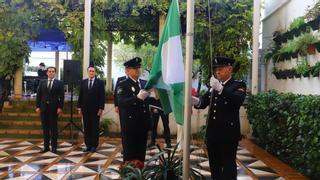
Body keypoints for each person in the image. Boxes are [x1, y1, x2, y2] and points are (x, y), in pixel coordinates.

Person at [192, 56, 246, 180]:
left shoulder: (238, 84)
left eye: (221, 69)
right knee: (214, 166)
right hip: (213, 134)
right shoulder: (214, 86)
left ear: (229, 69)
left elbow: (237, 100)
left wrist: (221, 89)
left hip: (228, 135)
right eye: (216, 69)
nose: (217, 72)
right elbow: (203, 102)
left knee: (228, 166)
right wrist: (193, 101)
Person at [117, 57, 151, 162]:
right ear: (127, 70)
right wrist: (136, 98)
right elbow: (121, 102)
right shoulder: (122, 84)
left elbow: (147, 103)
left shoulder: (144, 83)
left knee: (141, 154)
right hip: (130, 126)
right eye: (134, 68)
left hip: (143, 125)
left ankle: (140, 174)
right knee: (130, 155)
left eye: (138, 67)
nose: (137, 70)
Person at [36, 67, 64, 153]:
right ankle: (46, 147)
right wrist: (37, 106)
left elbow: (62, 97)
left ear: (55, 73)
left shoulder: (59, 83)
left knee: (53, 129)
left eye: (53, 71)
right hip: (43, 108)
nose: (51, 73)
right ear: (47, 73)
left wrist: (60, 107)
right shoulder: (42, 82)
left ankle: (54, 147)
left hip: (54, 109)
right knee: (45, 129)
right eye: (49, 71)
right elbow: (39, 95)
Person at [77, 66, 106, 153]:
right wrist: (79, 108)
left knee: (94, 128)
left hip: (96, 110)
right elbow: (80, 95)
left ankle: (94, 145)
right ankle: (88, 145)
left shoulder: (100, 83)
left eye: (93, 71)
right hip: (85, 109)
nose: (91, 72)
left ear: (95, 72)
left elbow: (102, 96)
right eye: (90, 71)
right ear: (87, 72)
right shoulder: (83, 82)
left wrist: (101, 108)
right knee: (86, 127)